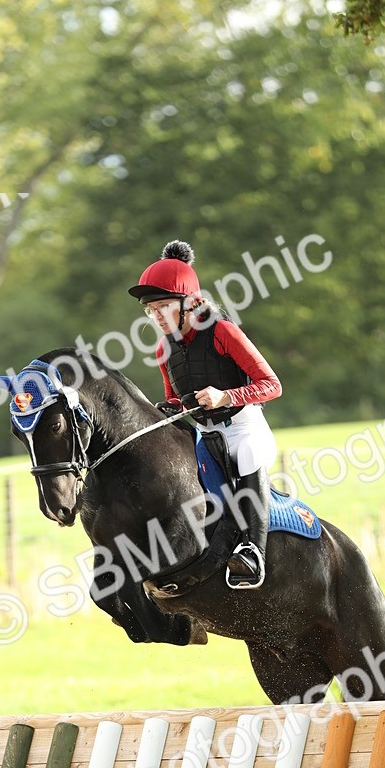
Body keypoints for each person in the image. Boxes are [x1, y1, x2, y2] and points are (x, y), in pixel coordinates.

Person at [128, 239, 282, 589]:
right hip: (205, 435)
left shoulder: (222, 331)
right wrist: (167, 408)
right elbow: (176, 400)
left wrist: (225, 395)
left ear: (191, 303)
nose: (157, 316)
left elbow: (271, 384)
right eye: (151, 310)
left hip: (243, 426)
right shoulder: (163, 348)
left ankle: (253, 551)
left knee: (246, 454)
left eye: (164, 307)